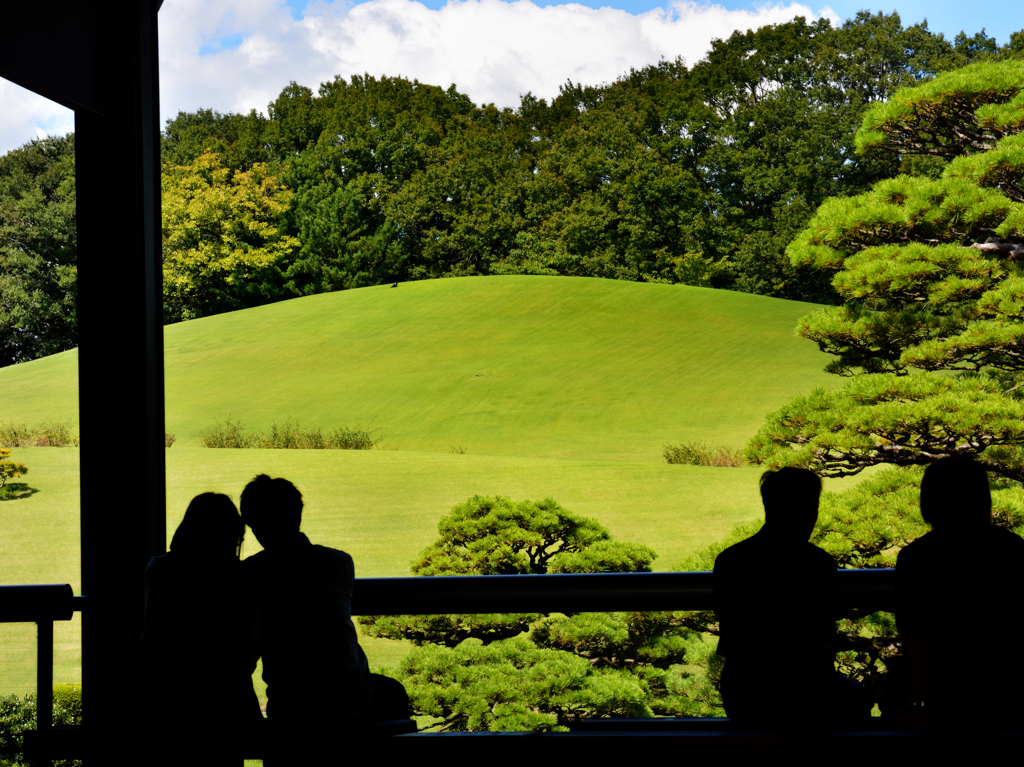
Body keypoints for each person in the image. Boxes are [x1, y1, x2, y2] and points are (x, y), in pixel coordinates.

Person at [239, 474, 409, 759]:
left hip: (292, 705)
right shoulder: (339, 562)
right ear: (298, 512)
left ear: (254, 523)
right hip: (352, 699)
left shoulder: (250, 574)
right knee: (392, 692)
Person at [713, 467, 870, 725]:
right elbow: (828, 635)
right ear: (809, 509)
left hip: (743, 693)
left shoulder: (730, 560)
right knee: (858, 698)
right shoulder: (816, 562)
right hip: (806, 690)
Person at [895, 456, 1024, 730]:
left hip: (942, 692)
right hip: (1007, 690)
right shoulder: (1013, 549)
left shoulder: (916, 558)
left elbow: (914, 636)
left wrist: (917, 704)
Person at [141, 493, 261, 762]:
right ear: (232, 536)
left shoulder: (159, 569)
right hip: (225, 709)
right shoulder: (238, 575)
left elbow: (153, 643)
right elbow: (247, 650)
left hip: (167, 707)